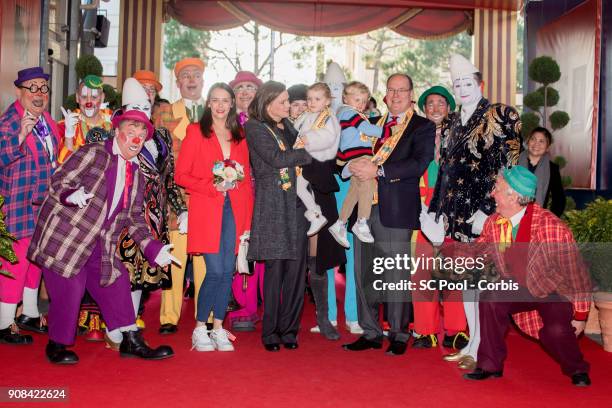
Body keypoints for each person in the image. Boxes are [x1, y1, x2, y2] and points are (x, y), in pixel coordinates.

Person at [28, 99, 178, 364]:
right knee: (70, 289)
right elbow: (58, 179)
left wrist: (154, 249)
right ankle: (58, 344)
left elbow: (134, 218)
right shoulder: (95, 152)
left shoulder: (136, 174)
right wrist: (70, 195)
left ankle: (130, 339)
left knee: (116, 280)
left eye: (142, 135)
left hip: (100, 242)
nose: (137, 139)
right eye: (132, 132)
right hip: (66, 237)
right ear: (118, 132)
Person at [421, 166, 591, 386]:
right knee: (491, 298)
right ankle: (489, 365)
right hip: (517, 284)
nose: (492, 193)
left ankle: (577, 369)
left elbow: (575, 270)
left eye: (497, 189)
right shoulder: (494, 223)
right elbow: (477, 251)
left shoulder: (550, 227)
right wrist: (442, 250)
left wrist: (580, 314)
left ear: (513, 196)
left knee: (555, 332)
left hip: (552, 288)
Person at [428, 54, 521, 370]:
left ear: (480, 83)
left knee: (483, 283)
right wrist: (436, 210)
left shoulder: (502, 114)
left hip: (485, 214)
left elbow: (510, 167)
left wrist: (490, 210)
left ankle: (484, 343)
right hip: (456, 213)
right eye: (457, 84)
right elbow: (445, 169)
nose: (463, 88)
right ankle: (473, 340)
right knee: (467, 281)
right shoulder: (452, 120)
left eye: (468, 83)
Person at [342, 73, 435, 356]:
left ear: (411, 94)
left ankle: (398, 333)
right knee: (363, 271)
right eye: (391, 90)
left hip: (396, 208)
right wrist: (351, 166)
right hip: (363, 207)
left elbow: (419, 163)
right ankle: (370, 331)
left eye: (401, 90)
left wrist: (379, 170)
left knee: (395, 273)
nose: (395, 96)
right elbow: (349, 150)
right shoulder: (372, 123)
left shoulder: (422, 126)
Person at [97, 77, 188, 349]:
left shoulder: (161, 138)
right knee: (121, 274)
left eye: (147, 104)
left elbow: (168, 178)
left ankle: (128, 328)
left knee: (140, 278)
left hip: (154, 218)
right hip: (125, 215)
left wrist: (181, 208)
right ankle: (116, 327)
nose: (144, 109)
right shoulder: (116, 136)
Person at [175, 83, 253, 352]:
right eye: (215, 100)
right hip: (208, 207)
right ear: (208, 103)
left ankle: (218, 327)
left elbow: (246, 181)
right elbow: (181, 175)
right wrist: (212, 186)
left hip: (236, 208)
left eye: (225, 101)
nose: (220, 106)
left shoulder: (239, 134)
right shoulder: (195, 131)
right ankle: (199, 328)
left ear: (232, 104)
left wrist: (247, 222)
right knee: (216, 270)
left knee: (227, 272)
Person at [245, 81, 312, 351]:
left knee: (297, 271)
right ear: (268, 102)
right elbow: (275, 158)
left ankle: (290, 330)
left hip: (297, 204)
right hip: (273, 205)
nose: (288, 105)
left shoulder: (290, 126)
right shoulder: (254, 127)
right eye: (283, 101)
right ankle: (271, 331)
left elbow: (292, 157)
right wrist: (310, 153)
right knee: (275, 271)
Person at [0, 67, 59, 344]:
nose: (39, 94)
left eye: (43, 88)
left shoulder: (46, 119)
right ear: (20, 92)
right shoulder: (10, 120)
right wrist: (19, 137)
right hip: (18, 201)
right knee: (16, 262)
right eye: (32, 88)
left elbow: (51, 158)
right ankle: (3, 322)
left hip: (42, 201)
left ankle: (31, 313)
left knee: (36, 259)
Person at [411, 86, 468, 350]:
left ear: (449, 107)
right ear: (424, 108)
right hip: (422, 207)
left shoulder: (463, 135)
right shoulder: (415, 134)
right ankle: (425, 330)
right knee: (421, 272)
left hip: (453, 208)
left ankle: (456, 330)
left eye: (440, 103)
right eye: (429, 103)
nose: (435, 108)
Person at [293, 82, 343, 340]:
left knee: (319, 257)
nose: (308, 104)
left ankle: (324, 318)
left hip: (320, 189)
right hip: (296, 192)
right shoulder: (301, 120)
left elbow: (323, 141)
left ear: (326, 100)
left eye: (313, 100)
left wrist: (304, 141)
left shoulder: (328, 120)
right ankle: (289, 319)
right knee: (293, 260)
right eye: (303, 101)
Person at [159, 57, 205, 335]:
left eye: (195, 75)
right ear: (178, 83)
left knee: (205, 261)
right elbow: (160, 160)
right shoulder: (165, 113)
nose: (190, 79)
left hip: (207, 198)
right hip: (176, 198)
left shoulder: (214, 113)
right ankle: (169, 316)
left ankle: (206, 314)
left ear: (202, 80)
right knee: (174, 259)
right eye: (185, 75)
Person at [328, 81, 397, 246]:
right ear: (345, 98)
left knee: (354, 191)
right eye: (357, 99)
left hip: (356, 156)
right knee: (368, 185)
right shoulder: (347, 112)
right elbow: (367, 129)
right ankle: (361, 221)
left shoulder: (351, 113)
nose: (361, 104)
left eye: (364, 101)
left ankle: (340, 222)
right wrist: (388, 131)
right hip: (356, 156)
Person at [228, 70, 264, 332]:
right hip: (234, 192)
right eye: (240, 88)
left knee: (260, 249)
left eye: (250, 87)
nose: (245, 92)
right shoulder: (226, 122)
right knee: (237, 247)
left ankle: (257, 304)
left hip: (263, 192)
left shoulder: (266, 121)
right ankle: (240, 306)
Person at [58, 74, 113, 164]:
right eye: (84, 97)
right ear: (77, 97)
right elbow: (63, 165)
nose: (88, 102)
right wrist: (68, 136)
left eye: (94, 97)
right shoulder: (64, 126)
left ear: (102, 97)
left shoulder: (114, 120)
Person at [518, 127, 565, 217]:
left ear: (547, 147)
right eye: (533, 139)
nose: (536, 144)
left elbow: (559, 199)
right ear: (528, 141)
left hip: (537, 219)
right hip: (512, 217)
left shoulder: (552, 169)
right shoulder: (515, 162)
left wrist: (549, 218)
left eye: (541, 141)